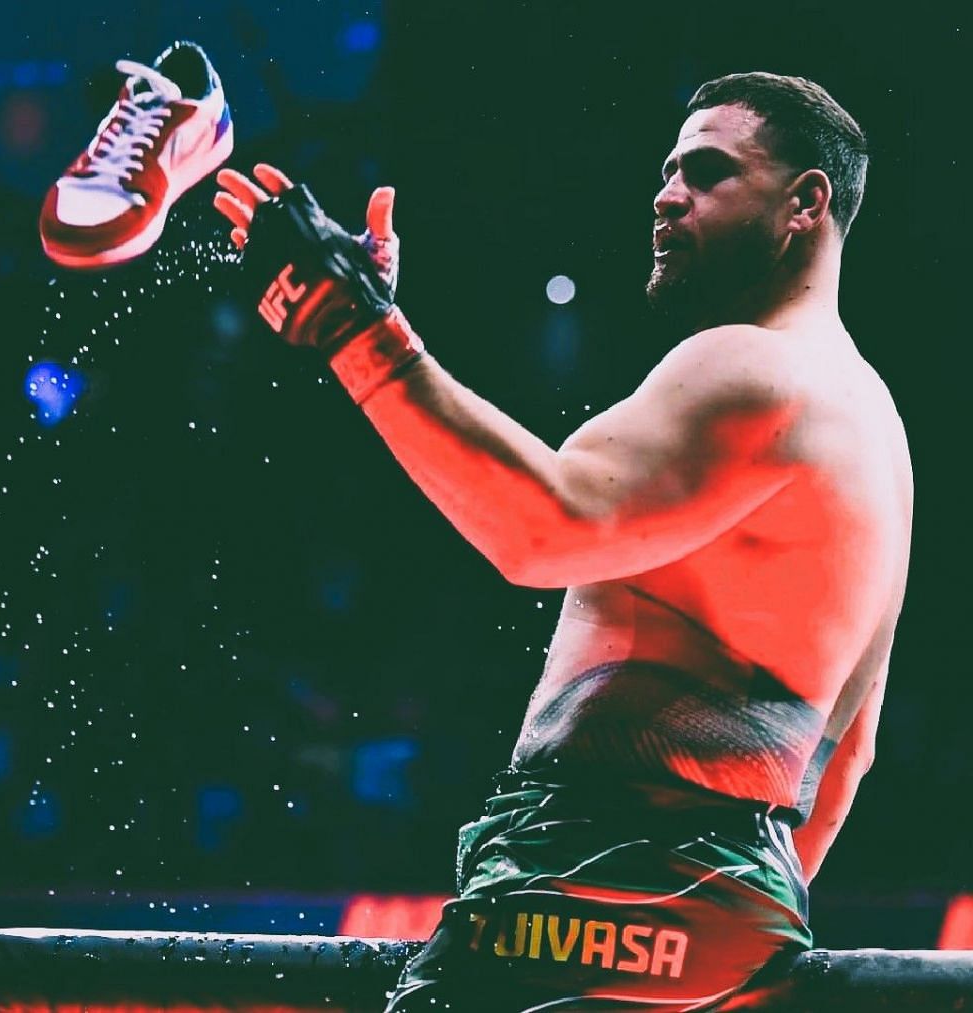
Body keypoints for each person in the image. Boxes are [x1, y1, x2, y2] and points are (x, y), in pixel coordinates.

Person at [213, 72, 903, 1009]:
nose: (666, 193)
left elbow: (540, 530)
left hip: (591, 884)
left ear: (806, 202)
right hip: (740, 915)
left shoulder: (753, 364)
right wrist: (705, 922)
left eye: (707, 172)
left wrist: (357, 330)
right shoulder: (877, 434)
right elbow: (846, 754)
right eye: (667, 170)